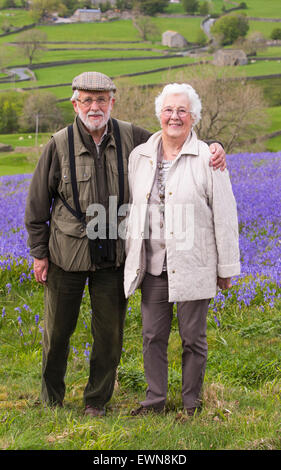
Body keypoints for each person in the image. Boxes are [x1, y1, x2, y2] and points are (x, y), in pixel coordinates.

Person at [24, 72, 226, 417]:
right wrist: (39, 254)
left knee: (109, 335)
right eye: (86, 100)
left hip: (114, 254)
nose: (94, 106)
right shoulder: (58, 144)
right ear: (75, 103)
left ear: (111, 102)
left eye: (101, 100)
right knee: (57, 332)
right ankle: (51, 398)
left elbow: (176, 138)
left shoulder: (133, 136)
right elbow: (37, 205)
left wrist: (213, 147)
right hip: (65, 255)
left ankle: (96, 401)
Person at [124, 83, 240, 417]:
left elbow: (225, 214)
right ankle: (154, 401)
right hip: (154, 263)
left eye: (182, 111)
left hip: (194, 261)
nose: (174, 116)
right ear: (159, 114)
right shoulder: (140, 157)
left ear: (193, 118)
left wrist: (226, 269)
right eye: (169, 110)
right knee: (151, 336)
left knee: (193, 338)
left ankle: (191, 404)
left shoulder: (209, 157)